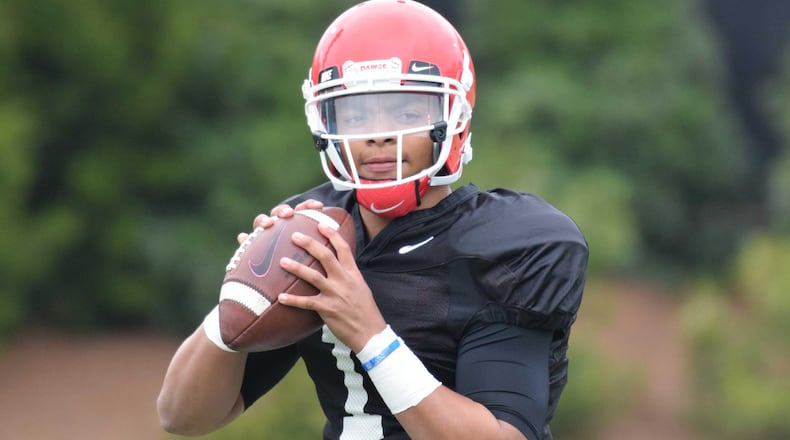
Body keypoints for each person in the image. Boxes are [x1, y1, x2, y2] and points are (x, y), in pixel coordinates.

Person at [157, 1, 588, 439]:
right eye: (357, 114)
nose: (377, 134)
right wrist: (239, 300)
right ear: (325, 122)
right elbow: (181, 416)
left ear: (452, 118)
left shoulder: (509, 245)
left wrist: (369, 333)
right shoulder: (316, 232)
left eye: (405, 113)